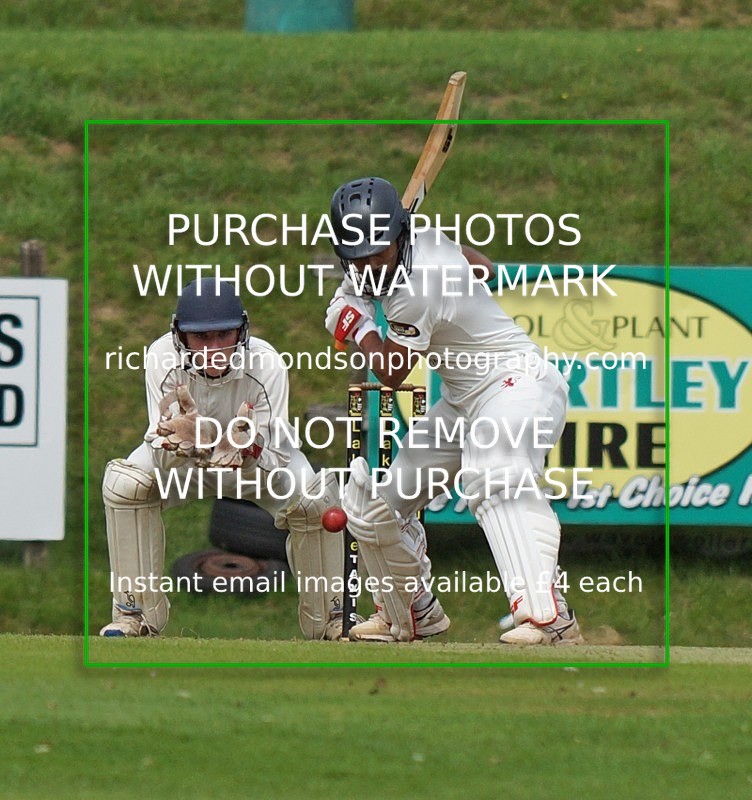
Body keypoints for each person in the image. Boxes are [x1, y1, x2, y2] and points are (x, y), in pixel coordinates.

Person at [324, 176, 583, 645]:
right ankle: (412, 612)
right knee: (378, 509)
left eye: (377, 254)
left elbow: (391, 373)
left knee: (495, 473)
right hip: (464, 401)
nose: (367, 267)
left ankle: (550, 617)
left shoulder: (417, 288)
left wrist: (355, 321)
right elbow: (484, 267)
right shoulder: (415, 243)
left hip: (516, 385)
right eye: (356, 258)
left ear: (399, 237)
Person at [100, 277, 345, 640]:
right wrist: (183, 445)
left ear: (241, 331)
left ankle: (330, 621)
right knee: (125, 485)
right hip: (187, 465)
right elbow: (160, 444)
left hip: (255, 468)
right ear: (180, 335)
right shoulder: (161, 358)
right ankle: (134, 613)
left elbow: (276, 453)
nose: (213, 349)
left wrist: (248, 452)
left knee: (314, 502)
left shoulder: (267, 365)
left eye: (223, 336)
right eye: (201, 338)